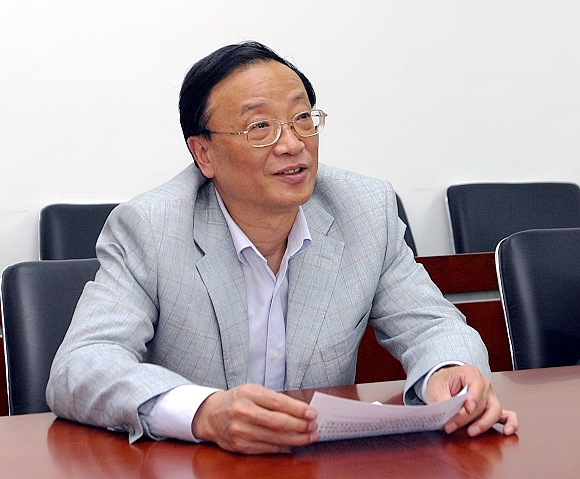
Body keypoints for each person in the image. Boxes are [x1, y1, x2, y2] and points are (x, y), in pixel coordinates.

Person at [46, 41, 518, 455]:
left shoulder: (364, 211)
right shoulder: (152, 228)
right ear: (204, 154)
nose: (292, 144)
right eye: (260, 127)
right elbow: (82, 365)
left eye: (302, 119)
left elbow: (432, 325)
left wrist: (449, 371)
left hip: (318, 463)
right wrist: (204, 412)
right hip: (194, 465)